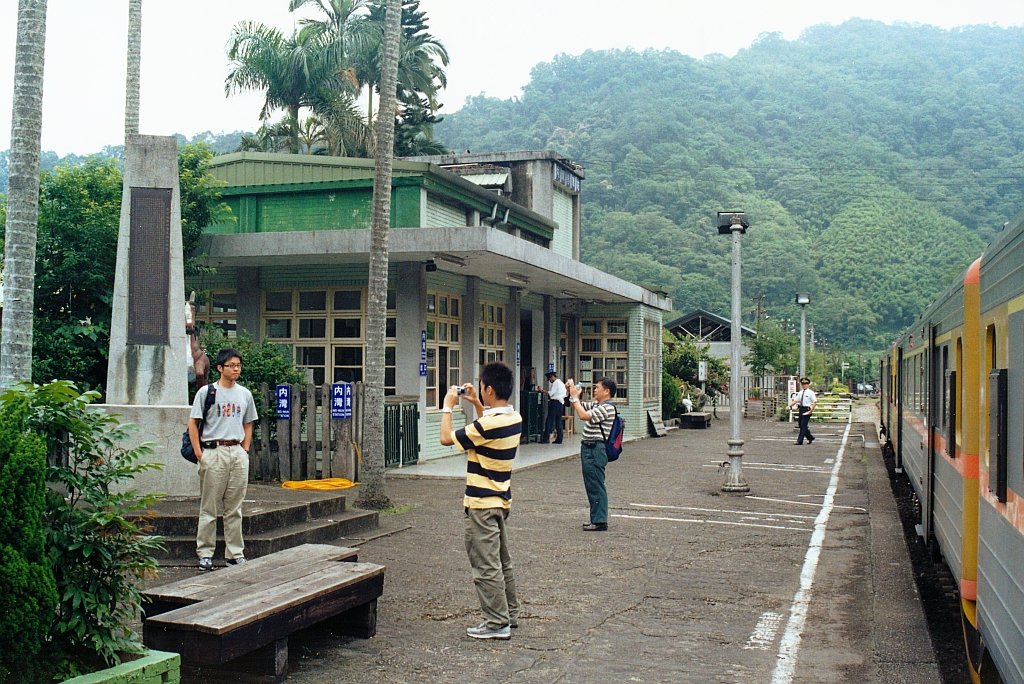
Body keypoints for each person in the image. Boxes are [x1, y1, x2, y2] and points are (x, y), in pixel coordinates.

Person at [439, 362, 522, 640]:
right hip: (500, 501)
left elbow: (445, 439)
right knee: (502, 562)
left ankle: (497, 623)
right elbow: (485, 427)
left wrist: (448, 406)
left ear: (489, 388)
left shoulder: (488, 424)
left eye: (482, 387)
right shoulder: (514, 419)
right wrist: (476, 403)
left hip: (481, 506)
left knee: (485, 566)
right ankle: (510, 613)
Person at [188, 348, 258, 571]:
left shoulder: (245, 394)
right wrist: (200, 454)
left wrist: (245, 449)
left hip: (236, 451)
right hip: (213, 450)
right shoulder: (207, 393)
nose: (236, 369)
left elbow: (249, 422)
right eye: (231, 365)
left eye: (238, 365)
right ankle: (205, 553)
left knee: (234, 507)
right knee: (209, 507)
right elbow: (193, 423)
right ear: (220, 368)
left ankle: (234, 553)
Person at [566, 376, 617, 531]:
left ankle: (600, 520)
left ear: (607, 391)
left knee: (596, 484)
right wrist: (573, 392)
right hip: (588, 447)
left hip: (596, 448)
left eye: (597, 387)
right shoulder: (597, 404)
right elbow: (578, 405)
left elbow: (583, 415)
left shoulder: (607, 408)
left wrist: (575, 397)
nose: (595, 390)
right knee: (591, 483)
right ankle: (596, 518)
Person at [788, 377, 817, 445]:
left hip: (807, 409)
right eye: (803, 383)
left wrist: (810, 411)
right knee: (801, 425)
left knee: (803, 425)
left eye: (806, 383)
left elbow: (815, 402)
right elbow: (795, 400)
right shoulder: (800, 393)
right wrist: (789, 405)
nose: (804, 385)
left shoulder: (811, 393)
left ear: (808, 384)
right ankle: (810, 437)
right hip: (801, 409)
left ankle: (800, 440)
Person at [541, 371, 566, 444]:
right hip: (561, 403)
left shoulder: (556, 383)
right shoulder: (561, 383)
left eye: (549, 379)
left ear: (552, 376)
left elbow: (551, 394)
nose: (550, 381)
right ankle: (559, 439)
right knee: (558, 421)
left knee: (549, 420)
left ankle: (546, 439)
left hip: (554, 403)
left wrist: (542, 390)